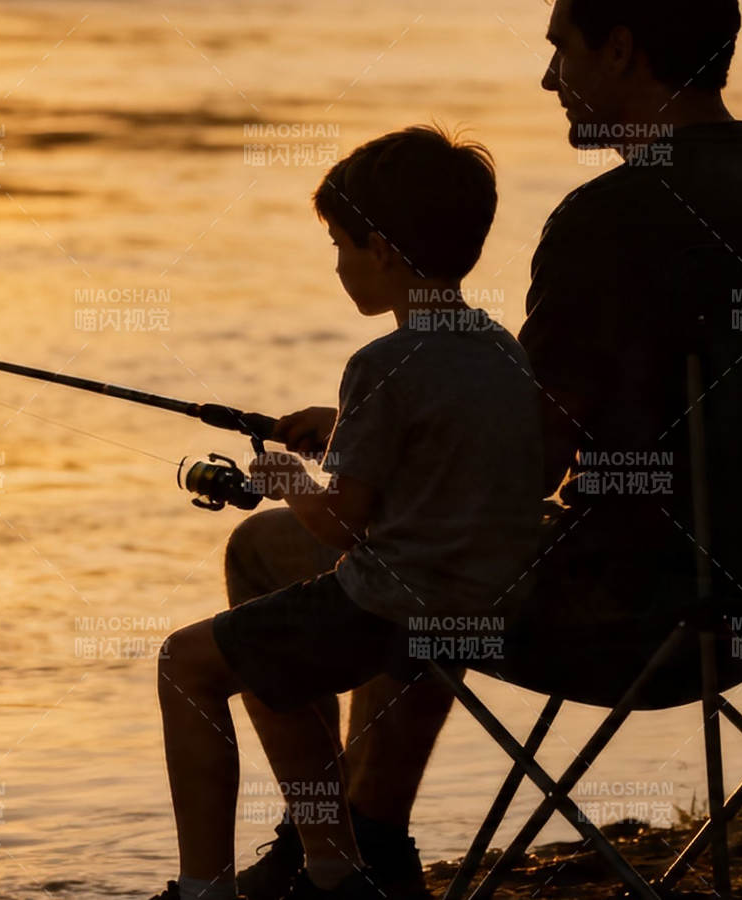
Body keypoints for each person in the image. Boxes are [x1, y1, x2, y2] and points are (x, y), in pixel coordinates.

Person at [229, 1, 742, 898]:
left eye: (560, 52)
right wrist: (379, 430)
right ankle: (361, 842)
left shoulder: (608, 220)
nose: (547, 80)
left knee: (279, 548)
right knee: (435, 523)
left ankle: (346, 853)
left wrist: (366, 453)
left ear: (621, 48)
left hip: (630, 614)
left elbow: (523, 464)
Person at [151, 125, 545, 900]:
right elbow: (453, 456)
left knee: (186, 664)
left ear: (385, 251)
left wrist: (286, 479)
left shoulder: (380, 364)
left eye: (341, 244)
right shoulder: (499, 347)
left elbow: (342, 527)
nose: (337, 263)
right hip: (488, 598)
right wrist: (342, 435)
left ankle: (205, 888)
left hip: (392, 605)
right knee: (268, 659)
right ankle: (336, 873)